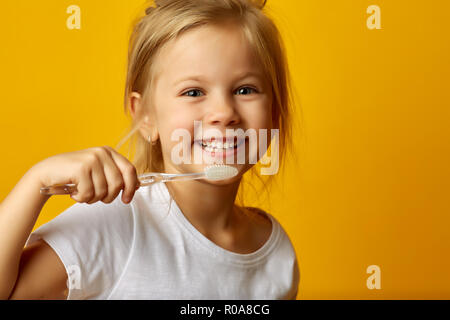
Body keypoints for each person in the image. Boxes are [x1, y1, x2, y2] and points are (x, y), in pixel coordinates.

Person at [0, 0, 300, 299]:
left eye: (245, 89)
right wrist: (36, 181)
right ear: (145, 115)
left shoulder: (278, 259)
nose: (223, 112)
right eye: (193, 92)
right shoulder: (115, 226)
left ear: (275, 110)